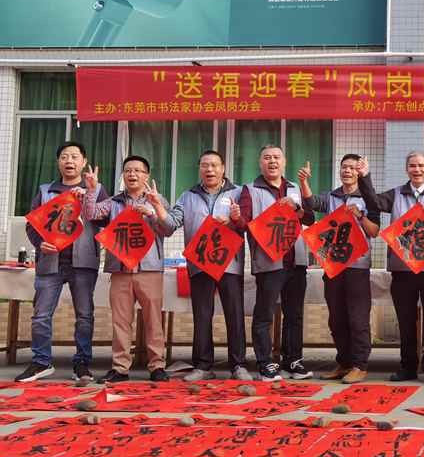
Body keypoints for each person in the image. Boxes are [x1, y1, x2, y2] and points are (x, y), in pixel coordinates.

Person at [357, 151, 424, 386]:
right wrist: (365, 177)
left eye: (421, 165)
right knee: (405, 319)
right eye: (412, 165)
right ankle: (408, 367)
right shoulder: (395, 194)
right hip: (402, 268)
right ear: (407, 169)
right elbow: (373, 202)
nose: (417, 169)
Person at [15, 142, 109, 383]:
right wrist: (40, 243)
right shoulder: (45, 190)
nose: (69, 161)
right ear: (58, 162)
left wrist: (90, 194)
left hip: (83, 262)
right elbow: (31, 224)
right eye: (64, 156)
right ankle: (41, 362)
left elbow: (106, 221)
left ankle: (82, 364)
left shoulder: (96, 189)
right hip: (50, 261)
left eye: (75, 156)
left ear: (84, 162)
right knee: (41, 315)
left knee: (84, 315)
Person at [157, 150, 251, 381]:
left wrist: (235, 219)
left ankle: (238, 365)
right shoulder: (187, 196)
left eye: (214, 165)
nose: (210, 169)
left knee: (234, 314)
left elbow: (247, 224)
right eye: (205, 165)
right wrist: (157, 207)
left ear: (223, 169)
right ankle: (203, 366)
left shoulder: (239, 192)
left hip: (229, 263)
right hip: (200, 263)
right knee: (202, 314)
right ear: (199, 169)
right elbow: (170, 225)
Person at [83, 156, 173, 383]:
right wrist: (92, 189)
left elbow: (169, 228)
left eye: (137, 171)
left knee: (153, 320)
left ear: (146, 175)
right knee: (121, 321)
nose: (132, 174)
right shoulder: (113, 202)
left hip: (149, 269)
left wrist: (153, 212)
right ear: (123, 175)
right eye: (128, 170)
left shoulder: (157, 199)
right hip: (120, 269)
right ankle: (120, 368)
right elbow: (91, 214)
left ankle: (157, 366)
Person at [233, 145, 315, 382]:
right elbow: (245, 223)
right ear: (260, 163)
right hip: (269, 261)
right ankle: (265, 362)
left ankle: (293, 360)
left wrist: (297, 208)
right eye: (267, 158)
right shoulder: (250, 190)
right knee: (264, 314)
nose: (272, 161)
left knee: (294, 314)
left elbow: (310, 218)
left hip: (296, 260)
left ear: (284, 162)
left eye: (276, 157)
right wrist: (237, 218)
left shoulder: (294, 188)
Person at [299, 154, 380, 385]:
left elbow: (374, 231)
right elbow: (312, 204)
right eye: (344, 167)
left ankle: (360, 365)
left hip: (357, 265)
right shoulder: (332, 196)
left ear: (358, 173)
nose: (347, 171)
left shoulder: (368, 197)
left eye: (352, 168)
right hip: (333, 265)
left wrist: (360, 216)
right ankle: (344, 362)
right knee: (336, 318)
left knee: (357, 317)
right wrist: (304, 182)